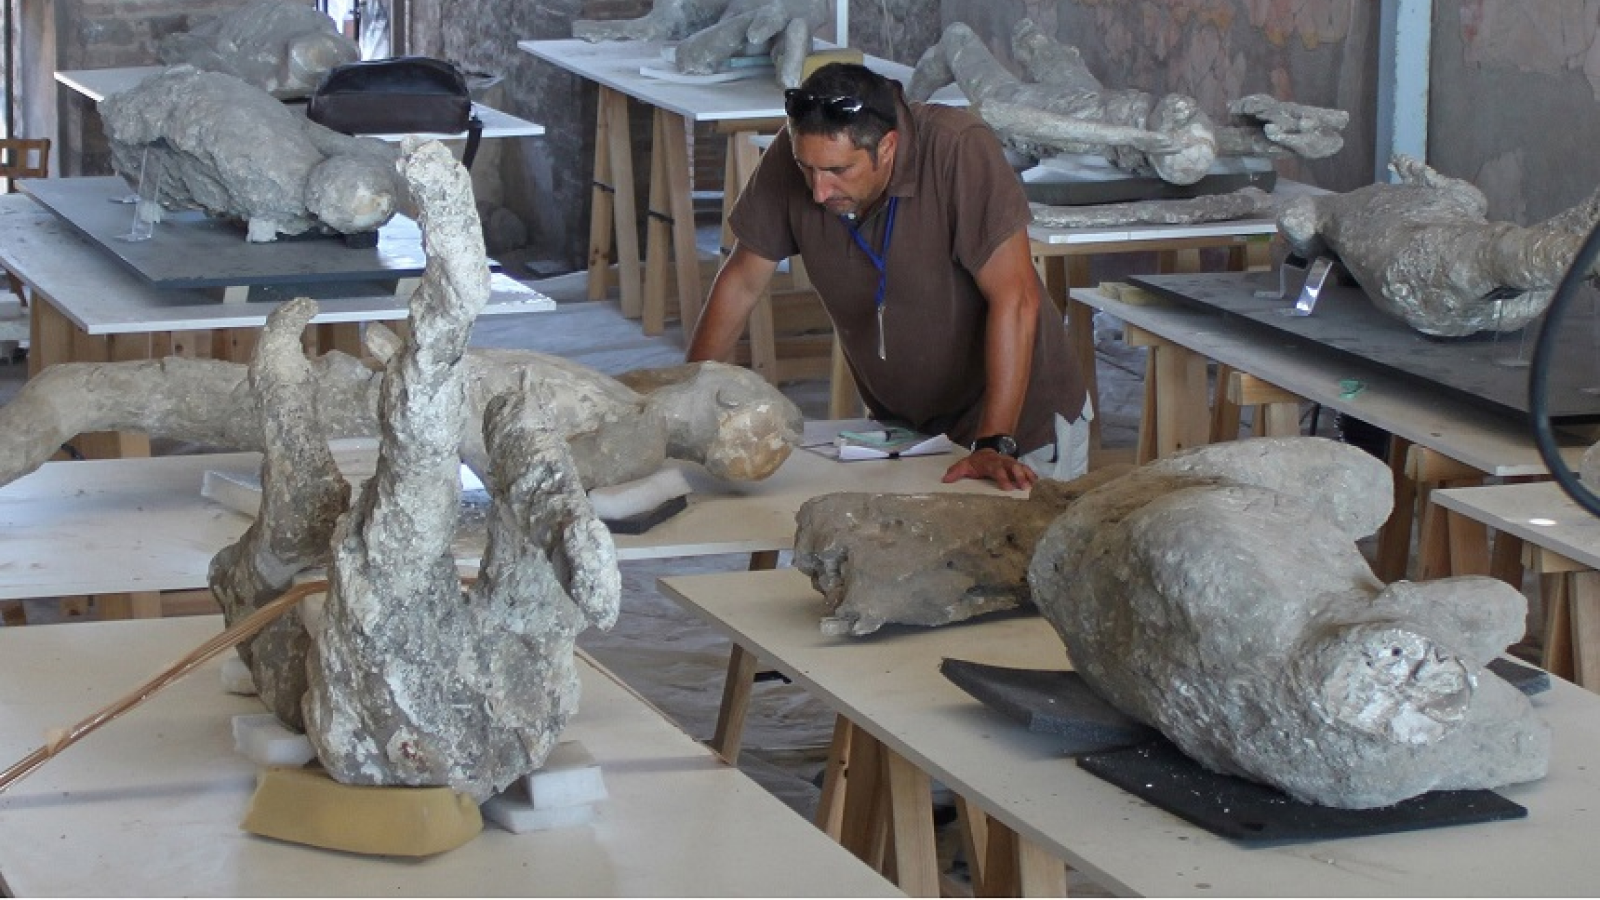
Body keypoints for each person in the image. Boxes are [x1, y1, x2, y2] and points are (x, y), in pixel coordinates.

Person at [687, 62, 1090, 491]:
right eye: (808, 169)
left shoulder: (957, 149)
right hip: (906, 431)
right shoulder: (801, 156)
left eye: (839, 171)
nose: (818, 191)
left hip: (1016, 433)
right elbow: (742, 282)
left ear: (887, 148)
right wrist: (690, 399)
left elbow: (1016, 299)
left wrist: (993, 443)